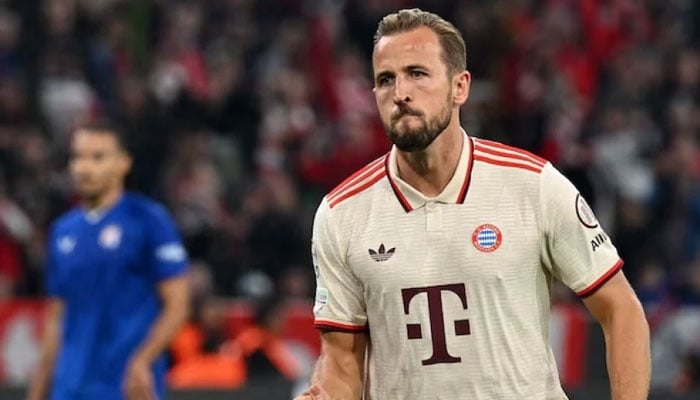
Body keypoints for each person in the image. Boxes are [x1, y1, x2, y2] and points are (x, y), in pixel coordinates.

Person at [297, 8, 650, 400]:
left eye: (417, 73)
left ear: (459, 87)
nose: (400, 93)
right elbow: (342, 361)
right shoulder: (341, 214)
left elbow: (621, 310)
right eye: (385, 80)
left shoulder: (533, 185)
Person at [27, 121, 190, 400]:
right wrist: (38, 389)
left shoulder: (149, 220)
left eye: (98, 157)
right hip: (69, 388)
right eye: (77, 157)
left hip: (123, 387)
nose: (84, 167)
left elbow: (177, 305)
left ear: (123, 163)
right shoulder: (62, 231)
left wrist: (142, 361)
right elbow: (56, 318)